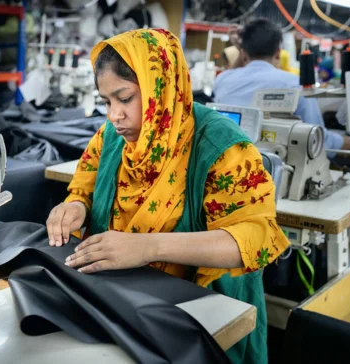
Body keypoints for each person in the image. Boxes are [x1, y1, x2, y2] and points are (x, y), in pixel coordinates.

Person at [46, 28, 290, 364]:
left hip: (203, 316)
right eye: (106, 101)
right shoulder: (112, 138)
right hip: (121, 302)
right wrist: (75, 207)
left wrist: (148, 247)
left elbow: (256, 238)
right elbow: (84, 187)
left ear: (160, 86)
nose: (113, 114)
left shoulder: (222, 148)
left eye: (125, 98)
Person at [213, 18, 350, 152]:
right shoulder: (295, 84)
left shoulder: (223, 79)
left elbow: (234, 71)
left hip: (225, 159)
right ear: (278, 53)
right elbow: (317, 137)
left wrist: (242, 49)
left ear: (243, 53)